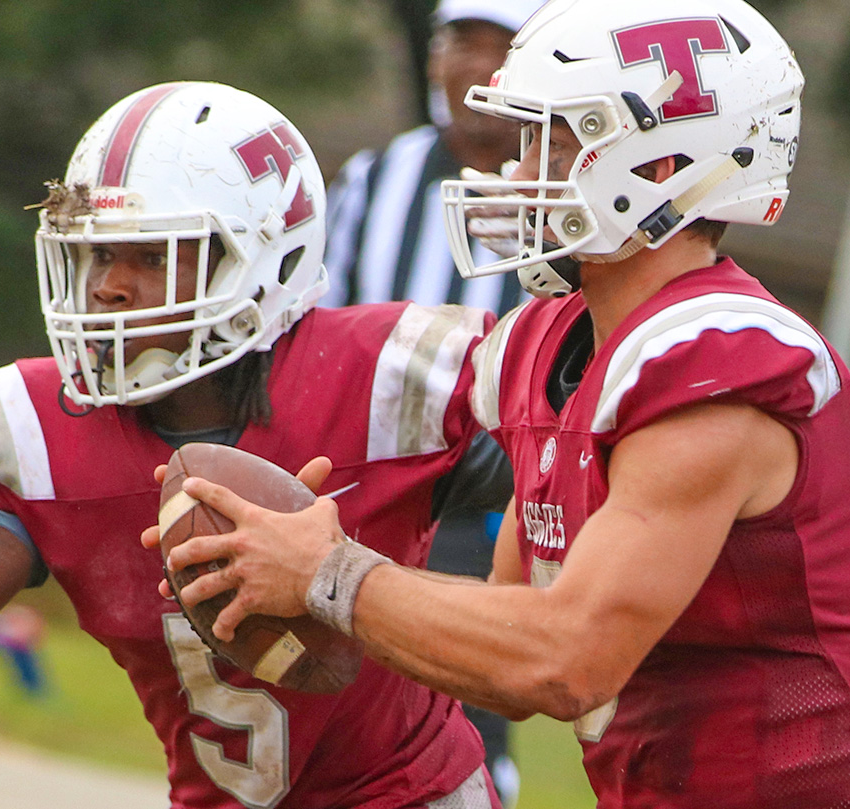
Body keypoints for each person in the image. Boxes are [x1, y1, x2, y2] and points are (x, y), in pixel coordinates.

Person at [149, 2, 850, 805]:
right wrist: (307, 567)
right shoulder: (547, 341)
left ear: (660, 167)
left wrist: (332, 573)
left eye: (553, 144)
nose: (519, 174)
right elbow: (513, 625)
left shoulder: (714, 369)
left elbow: (565, 661)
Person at [0, 82, 514, 809]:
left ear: (259, 262)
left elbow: (569, 484)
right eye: (98, 254)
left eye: (151, 256)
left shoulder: (386, 378)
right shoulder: (34, 427)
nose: (108, 287)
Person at [322, 2, 543, 800]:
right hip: (364, 476)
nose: (476, 67)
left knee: (465, 707)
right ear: (433, 58)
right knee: (335, 708)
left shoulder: (565, 190)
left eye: (500, 49)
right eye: (462, 44)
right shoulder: (375, 177)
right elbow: (321, 327)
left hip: (489, 497)